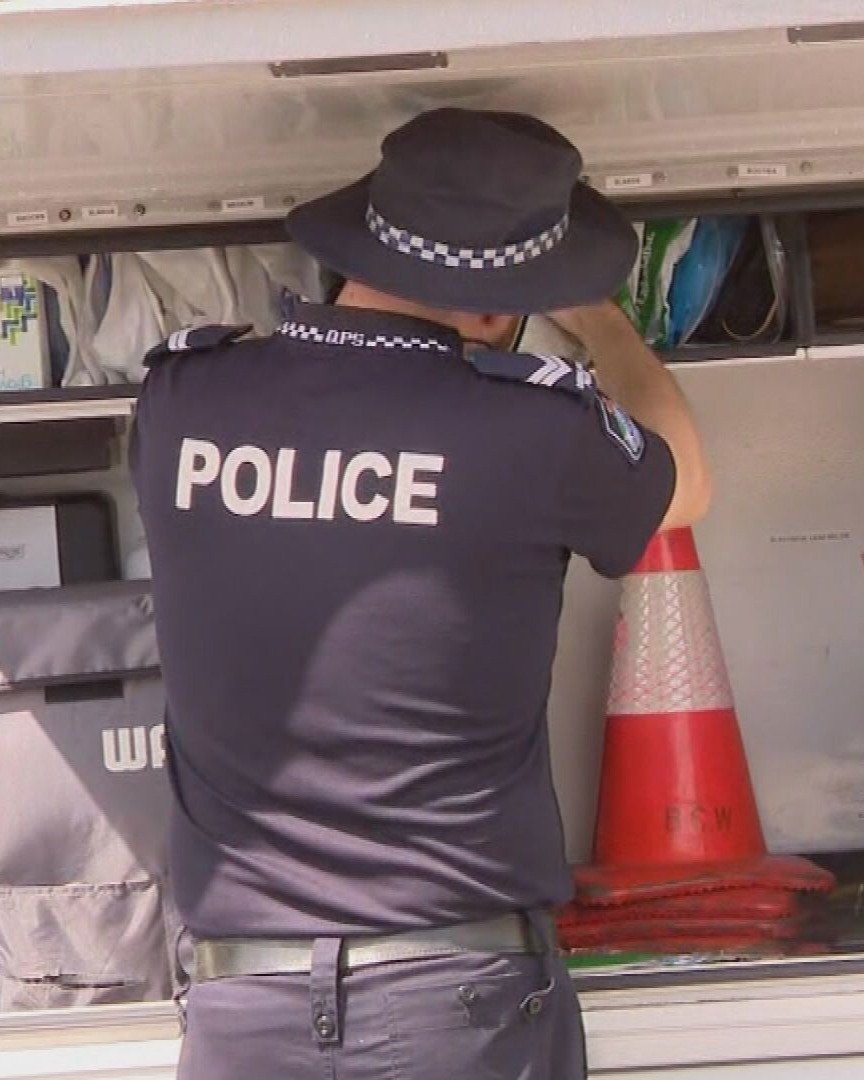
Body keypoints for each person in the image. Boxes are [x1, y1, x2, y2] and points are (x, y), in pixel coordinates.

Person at [130, 108, 710, 1080]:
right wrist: (596, 315)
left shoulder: (184, 403)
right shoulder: (534, 434)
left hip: (244, 1009)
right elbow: (686, 479)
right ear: (497, 307)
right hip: (459, 1013)